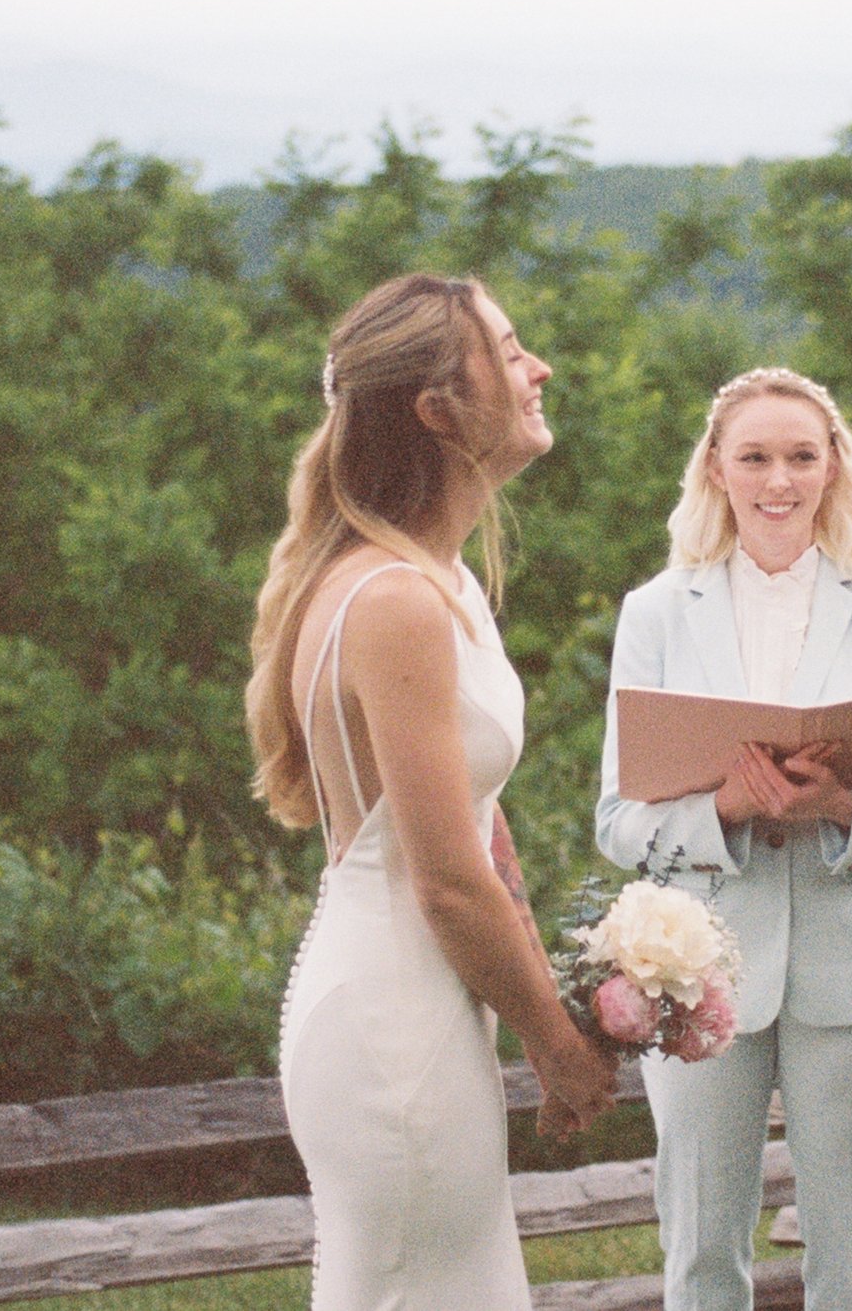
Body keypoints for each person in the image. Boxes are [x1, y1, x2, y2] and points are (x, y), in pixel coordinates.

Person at [250, 273, 619, 1311]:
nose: (537, 367)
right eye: (508, 352)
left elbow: (478, 825)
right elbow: (446, 883)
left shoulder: (441, 581)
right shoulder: (396, 600)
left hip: (431, 1006)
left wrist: (549, 987)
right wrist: (559, 1046)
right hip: (391, 1021)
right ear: (437, 411)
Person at [597, 367, 852, 1311]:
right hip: (699, 973)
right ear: (715, 467)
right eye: (754, 456)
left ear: (835, 467)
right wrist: (727, 811)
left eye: (801, 455)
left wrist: (839, 805)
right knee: (703, 1251)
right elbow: (619, 822)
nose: (778, 479)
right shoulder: (658, 611)